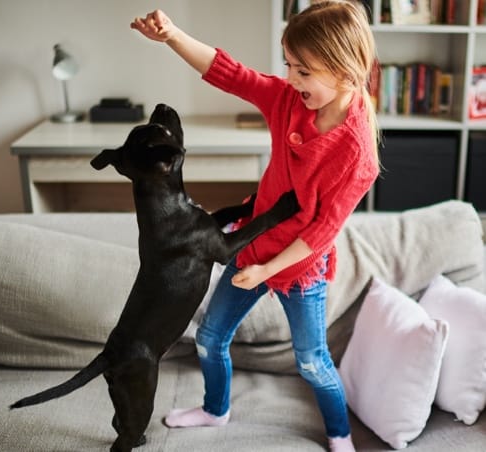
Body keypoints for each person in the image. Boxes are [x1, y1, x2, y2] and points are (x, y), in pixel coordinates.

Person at [131, 2, 379, 450]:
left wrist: (267, 272)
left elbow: (322, 230)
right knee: (209, 338)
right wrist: (172, 37)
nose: (290, 79)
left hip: (299, 266)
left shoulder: (357, 152)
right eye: (290, 66)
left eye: (303, 72)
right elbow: (232, 73)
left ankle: (341, 436)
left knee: (311, 361)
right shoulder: (289, 100)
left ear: (345, 71)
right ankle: (215, 409)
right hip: (253, 243)